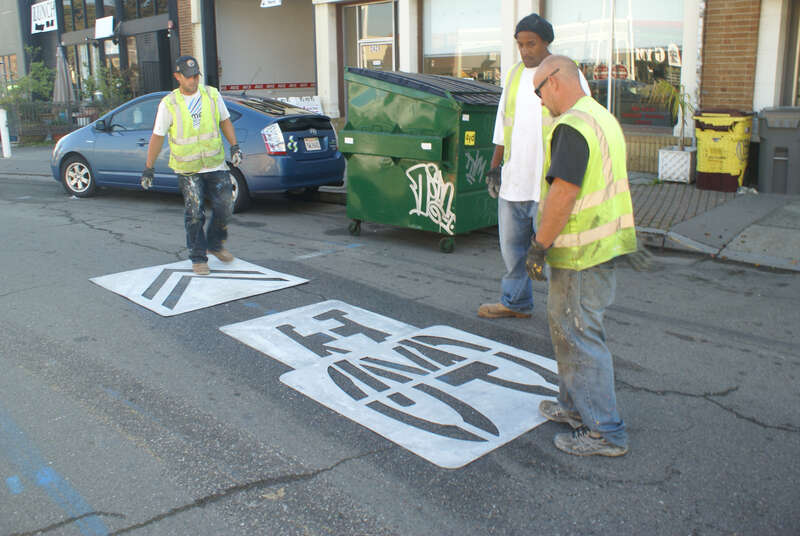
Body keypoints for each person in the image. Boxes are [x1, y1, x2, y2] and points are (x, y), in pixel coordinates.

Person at [526, 55, 649, 457]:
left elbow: (564, 192)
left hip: (581, 253)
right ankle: (575, 408)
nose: (541, 102)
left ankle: (605, 431)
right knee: (569, 331)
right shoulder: (601, 116)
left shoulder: (572, 126)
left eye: (539, 92)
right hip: (604, 245)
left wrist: (539, 245)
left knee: (579, 336)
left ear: (555, 81)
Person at [479, 14, 588, 320]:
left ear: (546, 43)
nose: (525, 50)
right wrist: (495, 167)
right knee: (512, 251)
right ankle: (515, 302)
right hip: (514, 183)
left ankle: (568, 315)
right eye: (520, 44)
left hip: (549, 186)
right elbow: (503, 125)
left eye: (531, 43)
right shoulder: (513, 76)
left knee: (556, 256)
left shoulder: (565, 73)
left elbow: (583, 126)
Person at [141, 55, 242, 275]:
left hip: (215, 163)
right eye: (188, 77)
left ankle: (215, 244)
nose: (193, 81)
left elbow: (225, 121)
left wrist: (234, 146)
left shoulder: (211, 95)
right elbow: (157, 136)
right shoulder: (169, 103)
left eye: (196, 76)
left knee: (225, 206)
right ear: (177, 77)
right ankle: (198, 257)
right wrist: (149, 167)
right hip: (188, 168)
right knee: (195, 212)